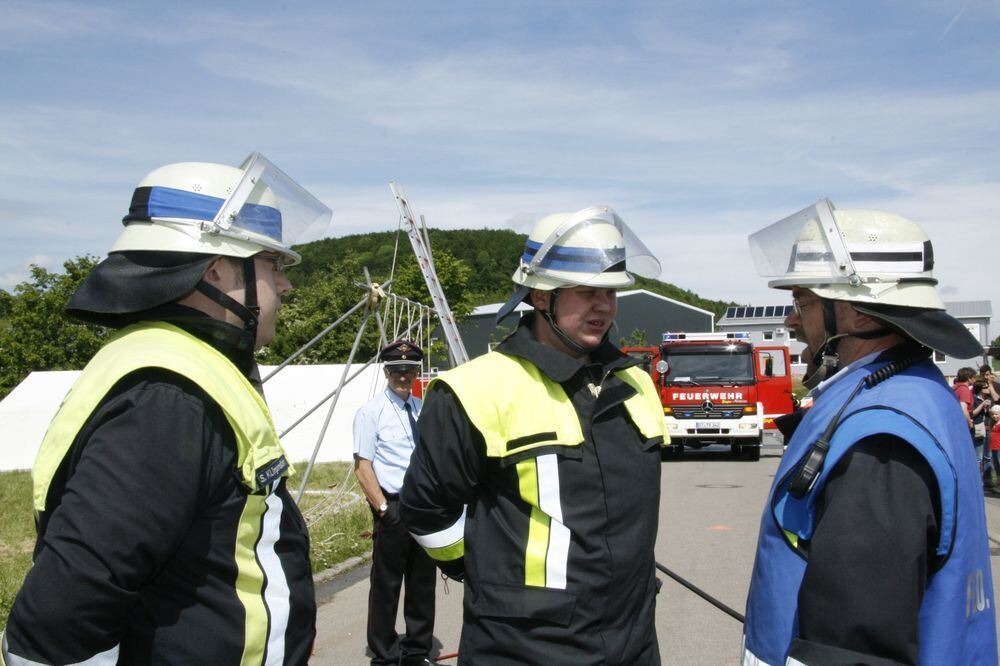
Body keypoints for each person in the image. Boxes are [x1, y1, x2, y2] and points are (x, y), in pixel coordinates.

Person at [1, 153, 331, 664]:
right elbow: (61, 615)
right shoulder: (167, 396)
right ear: (218, 270)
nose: (285, 284)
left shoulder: (183, 365)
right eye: (271, 263)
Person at [400, 206, 669, 664]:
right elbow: (425, 510)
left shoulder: (636, 383)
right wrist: (482, 570)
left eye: (610, 293)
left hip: (633, 638)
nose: (603, 306)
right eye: (586, 292)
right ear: (540, 297)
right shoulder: (473, 390)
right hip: (524, 646)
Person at [744, 200, 996, 664]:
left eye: (803, 301)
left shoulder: (879, 441)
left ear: (860, 314)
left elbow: (851, 645)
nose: (790, 319)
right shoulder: (914, 389)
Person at [353, 340, 437, 666]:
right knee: (386, 586)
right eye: (398, 371)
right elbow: (363, 468)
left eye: (410, 370)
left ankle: (418, 650)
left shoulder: (422, 407)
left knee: (422, 584)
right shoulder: (370, 413)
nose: (404, 376)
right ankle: (385, 654)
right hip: (393, 507)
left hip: (423, 507)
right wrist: (384, 511)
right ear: (387, 372)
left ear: (416, 372)